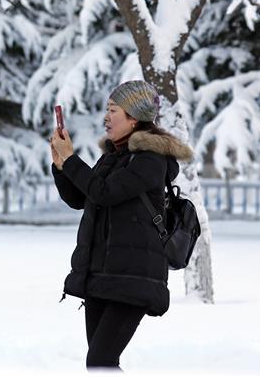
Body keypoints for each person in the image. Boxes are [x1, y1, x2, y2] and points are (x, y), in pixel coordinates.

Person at [49, 80, 194, 371]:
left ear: (134, 117)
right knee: (100, 364)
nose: (106, 117)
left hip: (133, 277)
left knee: (101, 361)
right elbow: (82, 198)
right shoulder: (115, 156)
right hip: (103, 275)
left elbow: (106, 192)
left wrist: (72, 160)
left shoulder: (150, 159)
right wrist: (61, 165)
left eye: (113, 110)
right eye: (107, 109)